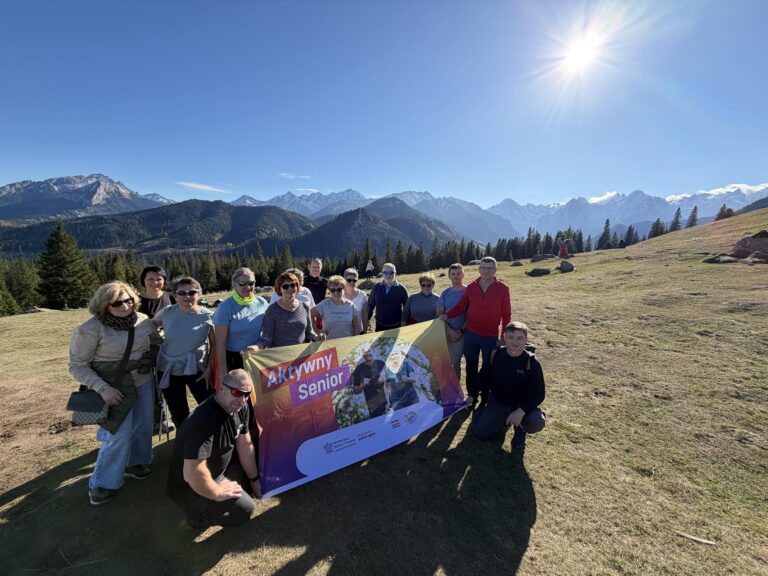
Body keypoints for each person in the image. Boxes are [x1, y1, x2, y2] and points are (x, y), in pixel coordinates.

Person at [68, 282, 156, 506]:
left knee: (143, 426)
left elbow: (155, 340)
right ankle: (102, 482)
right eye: (118, 303)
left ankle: (136, 463)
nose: (125, 306)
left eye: (129, 300)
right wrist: (102, 388)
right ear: (104, 305)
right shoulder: (90, 329)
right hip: (113, 388)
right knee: (117, 435)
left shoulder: (144, 320)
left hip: (144, 382)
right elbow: (77, 365)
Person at [167, 369, 261, 528]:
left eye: (247, 394)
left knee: (244, 483)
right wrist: (217, 492)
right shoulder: (203, 422)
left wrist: (255, 480)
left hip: (216, 471)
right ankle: (197, 515)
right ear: (222, 388)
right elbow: (192, 473)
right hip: (190, 486)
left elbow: (245, 444)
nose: (243, 400)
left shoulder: (240, 407)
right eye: (237, 393)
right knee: (244, 510)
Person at [441, 256, 510, 407]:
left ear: (495, 269)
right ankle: (472, 397)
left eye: (490, 268)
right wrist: (448, 315)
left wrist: (503, 335)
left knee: (488, 367)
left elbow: (506, 314)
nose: (486, 271)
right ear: (479, 269)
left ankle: (485, 397)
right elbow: (461, 306)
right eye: (483, 268)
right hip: (471, 334)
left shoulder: (503, 288)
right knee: (471, 366)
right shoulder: (472, 287)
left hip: (490, 336)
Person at [472, 322, 546, 449]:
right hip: (499, 400)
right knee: (480, 433)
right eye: (511, 337)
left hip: (521, 404)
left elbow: (539, 394)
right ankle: (497, 419)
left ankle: (520, 428)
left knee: (536, 422)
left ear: (526, 340)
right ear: (504, 337)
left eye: (519, 338)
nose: (514, 342)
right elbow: (483, 375)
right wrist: (471, 395)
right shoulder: (495, 354)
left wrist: (521, 411)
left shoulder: (532, 362)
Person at [152, 277, 214, 428]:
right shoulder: (167, 312)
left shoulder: (209, 316)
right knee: (179, 413)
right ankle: (184, 444)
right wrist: (157, 336)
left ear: (199, 294)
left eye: (192, 292)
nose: (187, 296)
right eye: (182, 293)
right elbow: (151, 325)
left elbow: (215, 346)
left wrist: (209, 370)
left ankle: (208, 441)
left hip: (197, 369)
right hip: (169, 369)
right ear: (174, 295)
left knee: (208, 408)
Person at [213, 267, 268, 383]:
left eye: (251, 283)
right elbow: (220, 344)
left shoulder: (262, 303)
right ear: (234, 285)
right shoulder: (225, 307)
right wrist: (223, 373)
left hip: (257, 356)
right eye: (242, 283)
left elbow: (267, 331)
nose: (248, 287)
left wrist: (260, 345)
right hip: (234, 359)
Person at [138, 265, 176, 434]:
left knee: (170, 384)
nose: (155, 282)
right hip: (145, 350)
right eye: (150, 279)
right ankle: (157, 421)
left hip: (170, 348)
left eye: (159, 279)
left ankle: (170, 418)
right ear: (143, 281)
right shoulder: (137, 302)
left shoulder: (171, 297)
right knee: (152, 387)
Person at [250, 271, 324, 349]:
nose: (290, 289)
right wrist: (257, 347)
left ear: (297, 286)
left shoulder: (305, 306)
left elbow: (309, 333)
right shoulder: (272, 310)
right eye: (285, 286)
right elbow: (266, 338)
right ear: (279, 289)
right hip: (280, 358)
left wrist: (316, 337)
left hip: (300, 356)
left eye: (293, 285)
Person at [437, 263, 467, 382]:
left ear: (463, 275)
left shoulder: (468, 291)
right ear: (449, 276)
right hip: (445, 332)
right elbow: (439, 315)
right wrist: (449, 331)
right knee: (444, 361)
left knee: (455, 362)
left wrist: (460, 331)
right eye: (453, 274)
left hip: (462, 333)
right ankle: (445, 388)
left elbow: (471, 315)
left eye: (458, 273)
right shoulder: (445, 293)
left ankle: (456, 390)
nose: (456, 276)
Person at [311, 275, 363, 339]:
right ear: (330, 291)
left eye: (339, 290)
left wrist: (355, 341)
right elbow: (309, 315)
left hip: (347, 344)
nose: (336, 293)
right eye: (333, 290)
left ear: (344, 289)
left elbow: (356, 326)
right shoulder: (324, 304)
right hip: (328, 345)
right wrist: (317, 331)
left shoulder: (351, 305)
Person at [367, 262, 408, 332]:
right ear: (382, 273)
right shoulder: (376, 287)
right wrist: (367, 319)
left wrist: (404, 322)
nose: (388, 275)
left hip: (397, 326)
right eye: (385, 272)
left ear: (395, 273)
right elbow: (370, 304)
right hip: (379, 325)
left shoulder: (402, 289)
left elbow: (407, 308)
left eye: (391, 273)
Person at [350, 346, 387, 418]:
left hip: (387, 400)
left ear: (372, 351)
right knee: (378, 425)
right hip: (373, 404)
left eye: (369, 351)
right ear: (362, 354)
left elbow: (390, 380)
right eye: (364, 352)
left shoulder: (381, 363)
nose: (367, 354)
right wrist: (362, 385)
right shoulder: (359, 369)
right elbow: (355, 391)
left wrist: (384, 379)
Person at [383, 345, 419, 410]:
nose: (394, 356)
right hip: (396, 402)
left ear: (400, 354)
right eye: (392, 355)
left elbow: (414, 378)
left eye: (396, 353)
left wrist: (407, 379)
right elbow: (386, 387)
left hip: (411, 399)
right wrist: (388, 402)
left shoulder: (406, 365)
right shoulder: (387, 371)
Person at [342, 267, 369, 332]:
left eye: (354, 280)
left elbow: (364, 314)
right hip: (344, 332)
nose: (352, 282)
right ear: (344, 280)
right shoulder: (339, 295)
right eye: (349, 280)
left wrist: (365, 331)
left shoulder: (362, 295)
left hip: (359, 331)